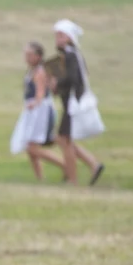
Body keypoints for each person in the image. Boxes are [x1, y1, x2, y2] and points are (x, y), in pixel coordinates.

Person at [51, 19, 105, 186]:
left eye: (61, 35)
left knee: (64, 140)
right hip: (69, 103)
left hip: (73, 105)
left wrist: (56, 84)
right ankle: (92, 164)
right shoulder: (68, 55)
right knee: (63, 139)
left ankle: (73, 178)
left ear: (69, 38)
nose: (57, 39)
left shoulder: (71, 55)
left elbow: (73, 79)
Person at [9, 42, 62, 181]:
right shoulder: (33, 70)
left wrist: (35, 103)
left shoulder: (40, 72)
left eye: (30, 55)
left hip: (40, 111)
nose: (26, 58)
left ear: (38, 56)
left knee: (32, 148)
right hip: (33, 110)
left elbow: (41, 92)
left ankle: (65, 166)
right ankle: (40, 178)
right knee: (31, 148)